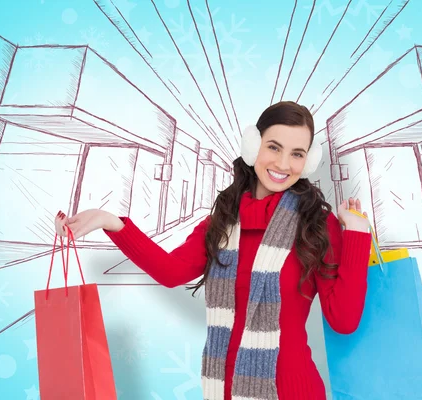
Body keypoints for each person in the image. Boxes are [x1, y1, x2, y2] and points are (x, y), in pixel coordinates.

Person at [54, 101, 372, 400]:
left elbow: (343, 320)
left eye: (297, 153)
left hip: (292, 388)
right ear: (253, 145)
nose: (283, 164)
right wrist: (112, 223)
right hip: (223, 388)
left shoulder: (316, 225)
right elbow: (170, 272)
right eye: (274, 147)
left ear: (308, 161)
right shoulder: (223, 222)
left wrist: (356, 234)